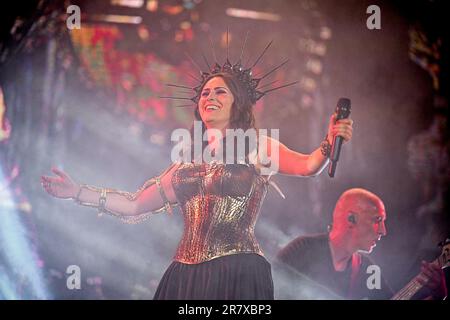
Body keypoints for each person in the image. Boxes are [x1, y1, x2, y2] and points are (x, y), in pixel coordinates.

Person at [40, 48, 354, 299]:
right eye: (205, 94)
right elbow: (135, 204)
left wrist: (328, 142)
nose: (209, 98)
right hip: (184, 275)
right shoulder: (187, 163)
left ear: (238, 104)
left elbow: (308, 166)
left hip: (238, 271)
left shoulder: (259, 146)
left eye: (220, 93)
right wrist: (77, 192)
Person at [275, 188, 446, 300]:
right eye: (377, 220)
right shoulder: (301, 250)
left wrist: (439, 293)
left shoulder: (368, 270)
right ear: (351, 218)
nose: (383, 231)